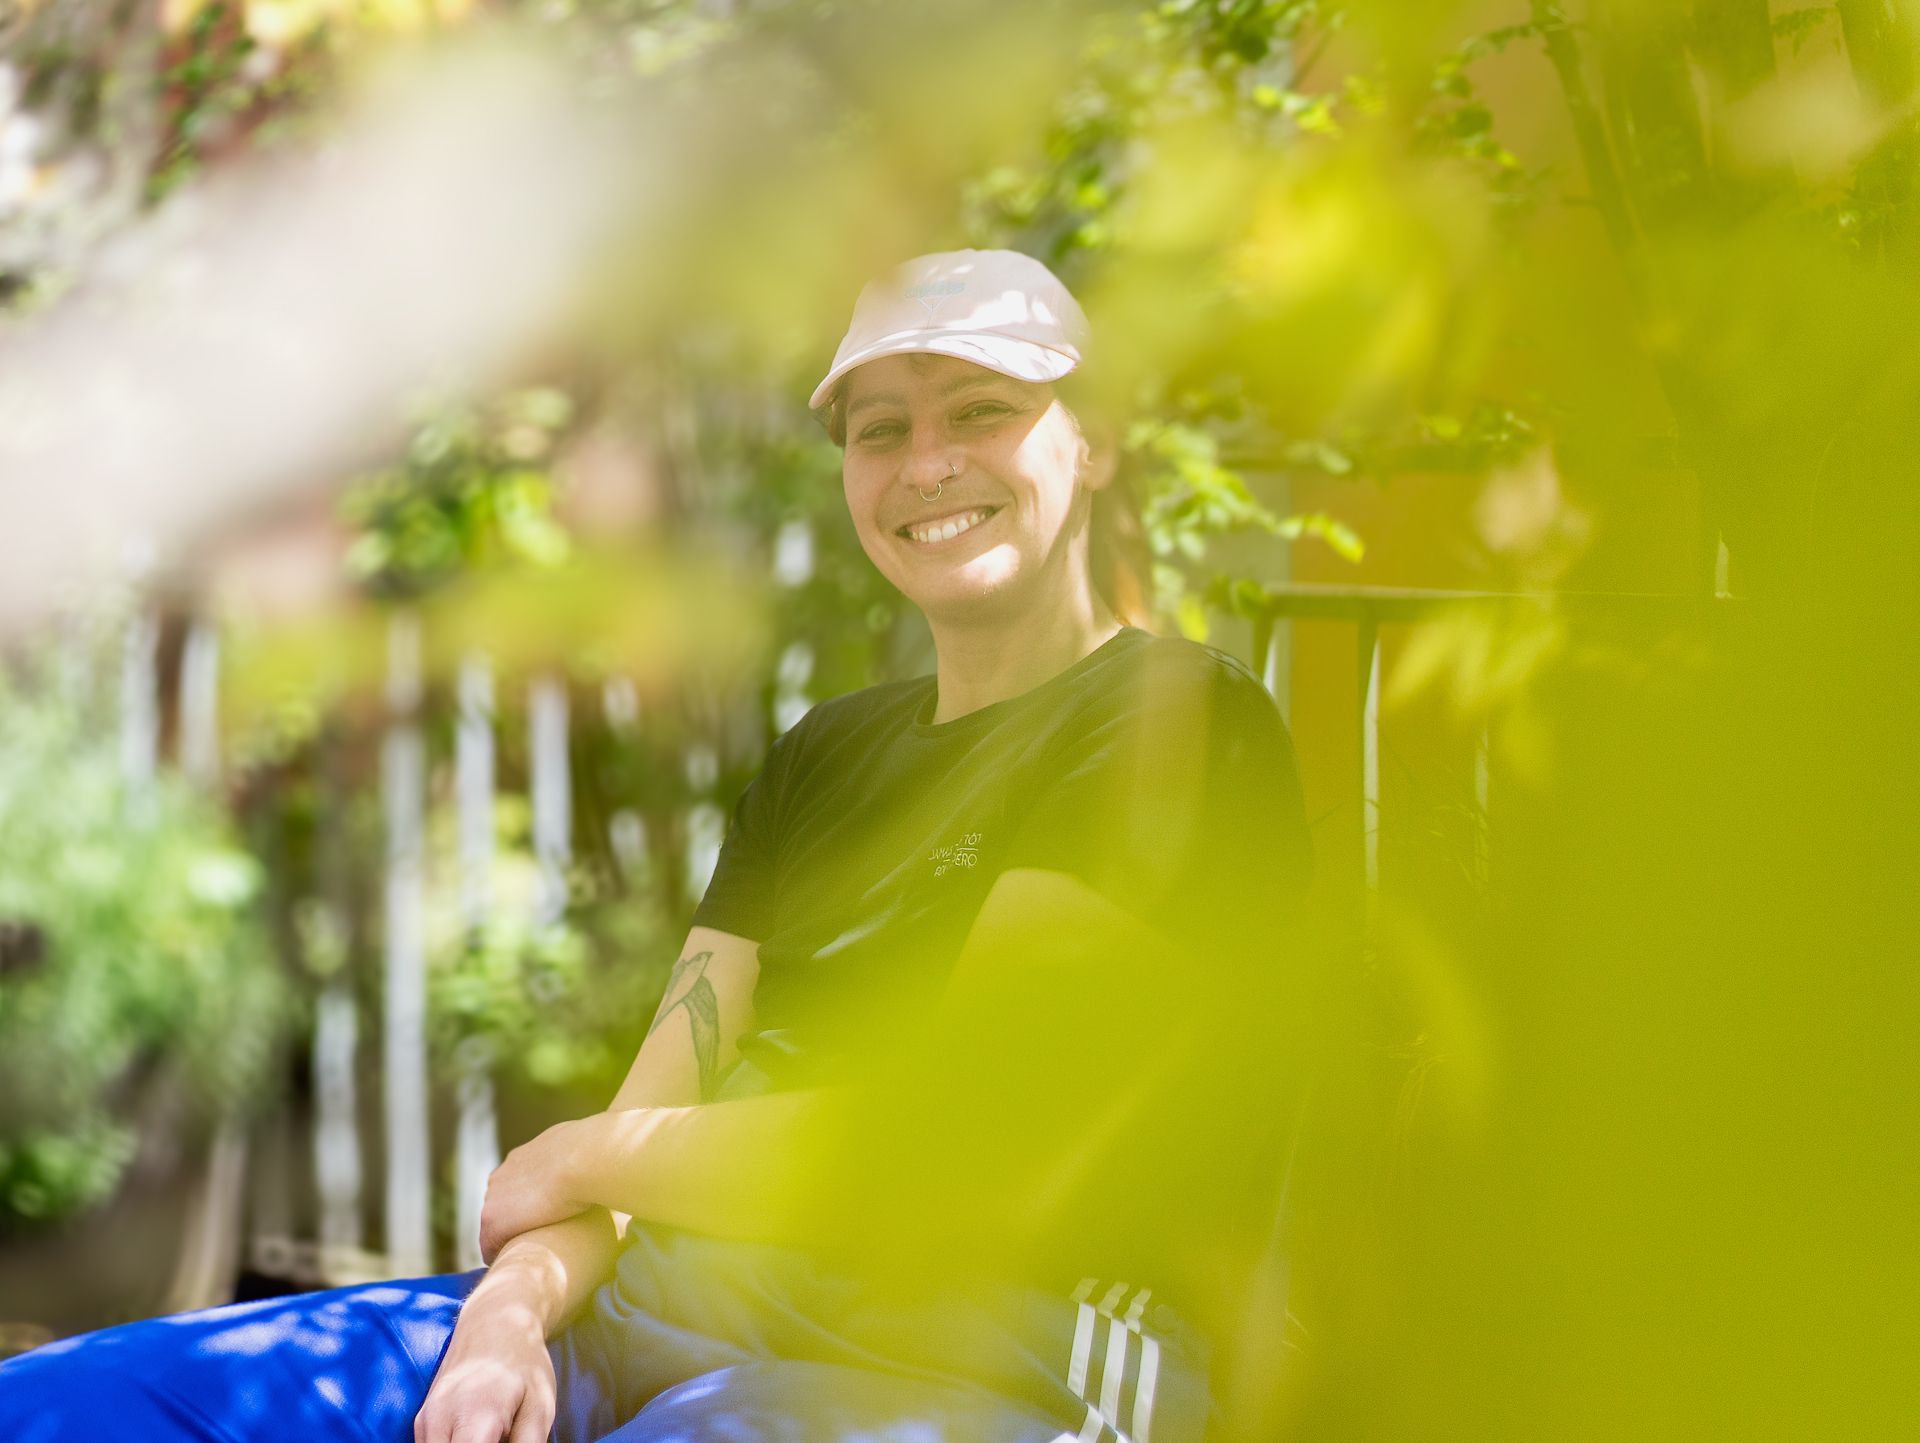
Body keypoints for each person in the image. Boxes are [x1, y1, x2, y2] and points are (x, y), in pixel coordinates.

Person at [0, 249, 1313, 1443]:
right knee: (76, 1408)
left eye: (980, 411)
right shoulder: (828, 757)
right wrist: (508, 1322)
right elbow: (655, 1111)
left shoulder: (1175, 729)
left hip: (976, 1367)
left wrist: (581, 1155)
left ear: (1093, 446)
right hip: (648, 1320)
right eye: (880, 430)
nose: (925, 465)